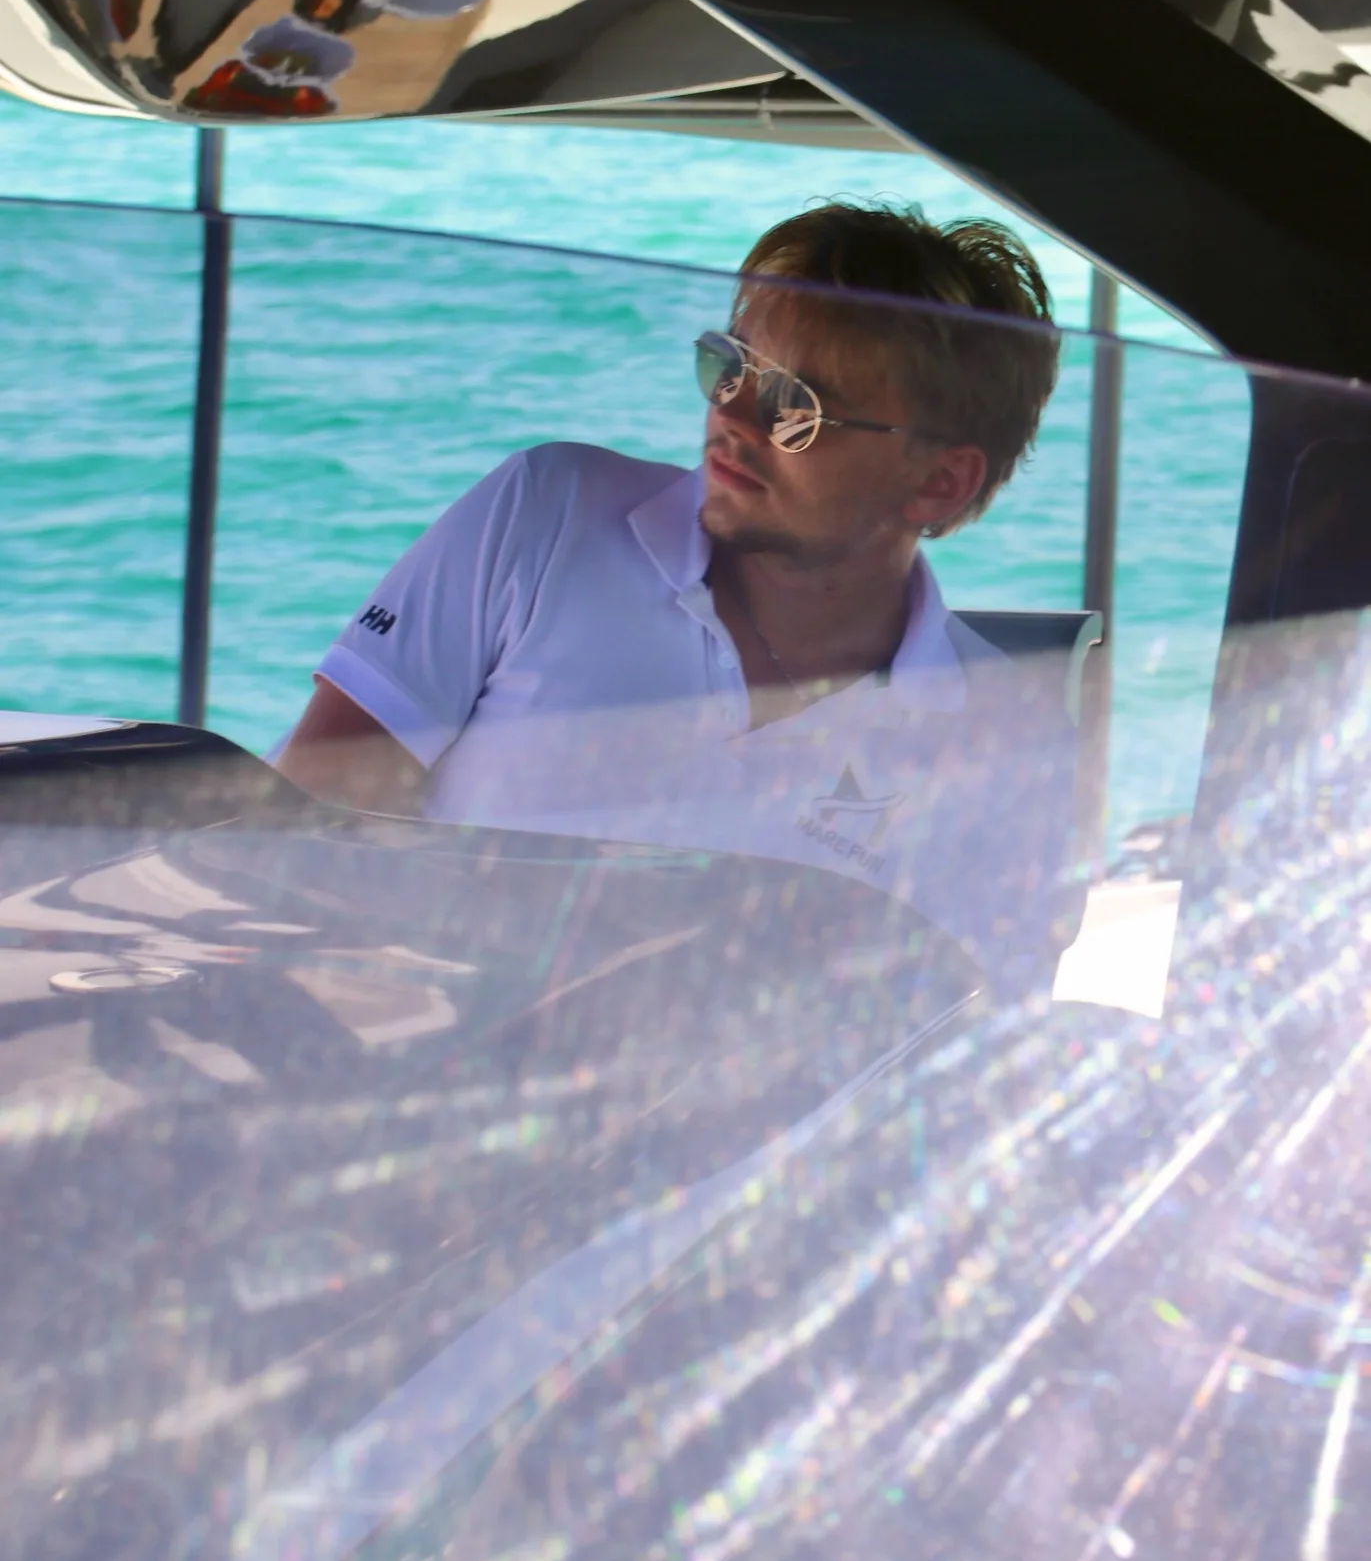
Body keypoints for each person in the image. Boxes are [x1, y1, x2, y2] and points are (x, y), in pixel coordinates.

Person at [278, 202, 1076, 984]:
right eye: (730, 367)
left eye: (795, 408)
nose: (730, 415)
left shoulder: (1005, 742)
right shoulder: (545, 513)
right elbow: (305, 827)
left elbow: (969, 1024)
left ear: (936, 482)